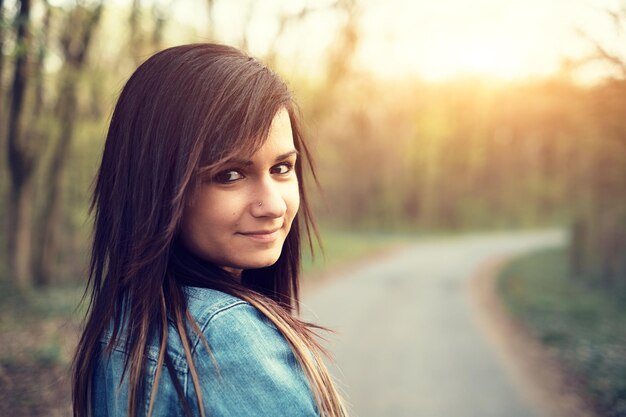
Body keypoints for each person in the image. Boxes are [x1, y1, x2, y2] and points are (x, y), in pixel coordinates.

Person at [72, 43, 348, 417]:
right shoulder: (223, 338)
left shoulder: (124, 322)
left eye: (282, 168)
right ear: (159, 187)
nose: (274, 205)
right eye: (230, 175)